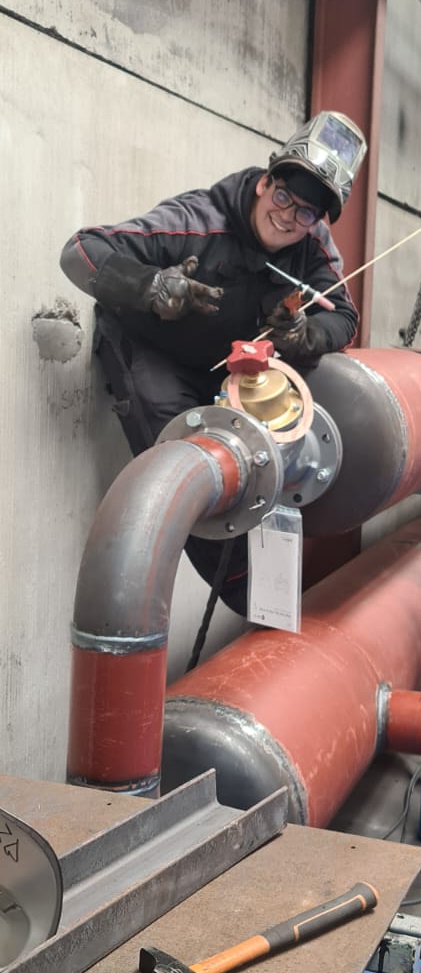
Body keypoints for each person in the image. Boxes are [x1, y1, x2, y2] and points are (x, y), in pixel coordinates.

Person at [60, 110, 367, 614]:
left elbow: (345, 317)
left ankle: (278, 608)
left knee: (268, 458)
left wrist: (305, 334)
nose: (289, 217)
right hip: (154, 352)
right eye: (284, 197)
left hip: (230, 366)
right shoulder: (197, 221)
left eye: (306, 213)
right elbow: (79, 251)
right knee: (191, 460)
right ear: (265, 182)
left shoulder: (312, 243)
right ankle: (251, 600)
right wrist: (150, 287)